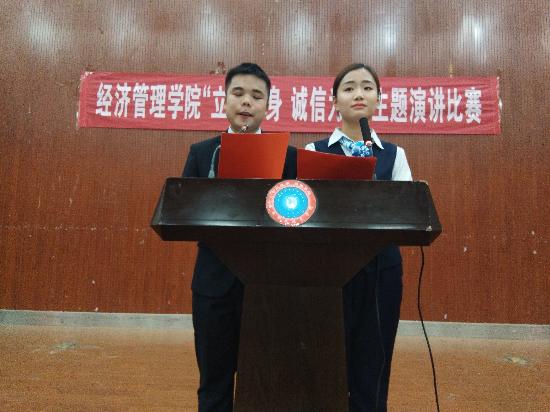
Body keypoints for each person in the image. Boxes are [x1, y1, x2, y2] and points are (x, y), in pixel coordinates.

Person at [182, 62, 297, 412]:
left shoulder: (288, 157)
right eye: (239, 93)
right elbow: (183, 212)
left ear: (268, 106)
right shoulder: (202, 154)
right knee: (214, 381)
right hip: (213, 284)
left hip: (268, 284)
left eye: (256, 96)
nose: (247, 101)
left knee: (264, 380)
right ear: (225, 100)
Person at [305, 63, 412, 412]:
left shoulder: (394, 155)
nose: (359, 94)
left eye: (367, 87)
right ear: (335, 101)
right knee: (327, 360)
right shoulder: (314, 150)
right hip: (327, 271)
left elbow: (406, 211)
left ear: (379, 99)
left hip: (381, 271)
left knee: (374, 362)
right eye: (349, 88)